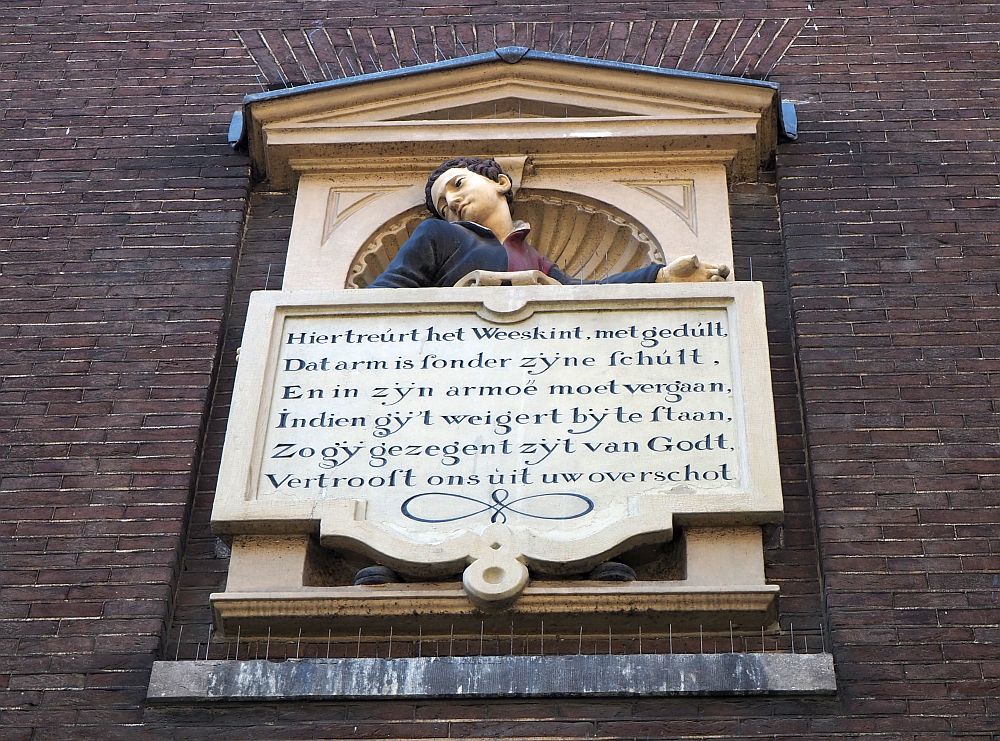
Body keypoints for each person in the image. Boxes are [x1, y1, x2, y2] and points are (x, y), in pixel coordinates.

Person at [368, 156, 730, 288]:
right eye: (444, 204)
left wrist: (660, 275)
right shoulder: (438, 233)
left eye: (458, 184)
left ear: (501, 182)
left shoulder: (533, 257)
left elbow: (580, 293)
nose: (453, 201)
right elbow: (386, 293)